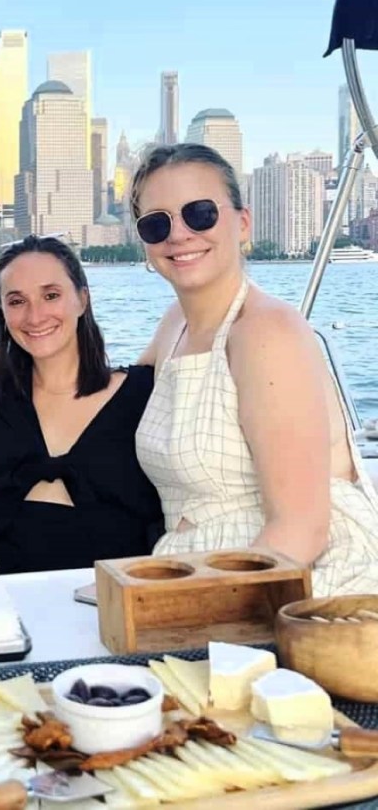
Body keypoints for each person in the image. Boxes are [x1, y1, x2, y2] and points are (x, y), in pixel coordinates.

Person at [131, 142, 378, 595]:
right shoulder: (175, 325)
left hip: (302, 587)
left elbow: (300, 532)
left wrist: (189, 608)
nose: (178, 234)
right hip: (197, 573)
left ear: (242, 223)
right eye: (156, 223)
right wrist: (27, 356)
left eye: (200, 213)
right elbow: (108, 389)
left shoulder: (267, 332)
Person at [0, 235, 163, 575]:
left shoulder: (142, 393)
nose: (35, 316)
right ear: (2, 310)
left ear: (82, 299)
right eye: (16, 301)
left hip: (113, 600)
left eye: (51, 295)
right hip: (3, 592)